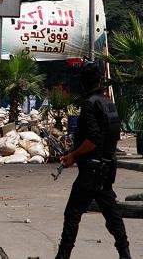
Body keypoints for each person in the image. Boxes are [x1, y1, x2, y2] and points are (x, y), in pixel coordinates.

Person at [55, 60, 131, 259]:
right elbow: (113, 135)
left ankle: (62, 256)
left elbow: (93, 139)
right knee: (112, 215)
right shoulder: (108, 103)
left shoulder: (89, 104)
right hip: (106, 168)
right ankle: (125, 253)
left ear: (83, 82)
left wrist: (73, 155)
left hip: (91, 170)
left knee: (72, 214)